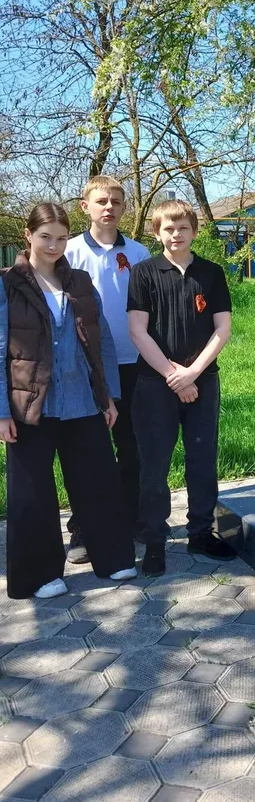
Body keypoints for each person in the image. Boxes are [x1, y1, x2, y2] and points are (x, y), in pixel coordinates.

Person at [0, 203, 137, 599]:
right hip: (31, 405)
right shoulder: (7, 284)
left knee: (98, 482)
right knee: (32, 494)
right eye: (45, 237)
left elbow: (103, 341)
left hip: (83, 402)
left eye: (61, 238)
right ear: (28, 236)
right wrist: (2, 412)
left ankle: (112, 558)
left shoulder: (79, 281)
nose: (54, 246)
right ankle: (40, 575)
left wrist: (109, 397)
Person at [127, 199, 235, 576]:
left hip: (203, 381)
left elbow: (223, 328)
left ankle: (201, 532)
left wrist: (193, 373)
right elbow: (137, 331)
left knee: (202, 460)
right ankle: (155, 539)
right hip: (155, 384)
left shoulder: (212, 273)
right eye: (168, 229)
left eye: (183, 228)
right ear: (157, 233)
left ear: (195, 231)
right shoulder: (143, 273)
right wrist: (174, 376)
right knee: (154, 464)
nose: (176, 234)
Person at [65, 175, 151, 562]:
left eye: (116, 201)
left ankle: (131, 518)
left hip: (133, 362)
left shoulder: (138, 252)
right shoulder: (68, 252)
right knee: (86, 451)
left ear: (124, 207)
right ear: (85, 206)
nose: (109, 207)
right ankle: (83, 528)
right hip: (87, 368)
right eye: (101, 201)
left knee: (133, 448)